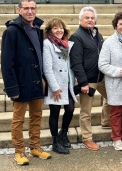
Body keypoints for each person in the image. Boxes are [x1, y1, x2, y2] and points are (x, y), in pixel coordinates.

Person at [1, 0, 51, 165]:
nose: (30, 11)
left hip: (37, 82)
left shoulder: (38, 30)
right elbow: (6, 64)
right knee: (18, 120)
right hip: (21, 83)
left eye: (33, 8)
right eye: (26, 8)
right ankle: (19, 151)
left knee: (36, 116)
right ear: (19, 10)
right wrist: (12, 88)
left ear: (36, 9)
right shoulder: (12, 31)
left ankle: (35, 147)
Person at [69, 6, 110, 151]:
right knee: (86, 111)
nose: (90, 20)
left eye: (92, 18)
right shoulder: (76, 36)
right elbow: (76, 62)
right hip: (88, 80)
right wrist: (83, 82)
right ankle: (87, 137)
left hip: (102, 77)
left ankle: (106, 121)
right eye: (87, 18)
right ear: (80, 19)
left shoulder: (97, 35)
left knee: (112, 99)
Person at [98, 11, 122, 151]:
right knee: (117, 112)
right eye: (121, 24)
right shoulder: (109, 43)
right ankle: (116, 137)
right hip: (115, 83)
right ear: (115, 25)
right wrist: (118, 71)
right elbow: (102, 64)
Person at [43, 18, 78, 154]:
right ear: (50, 31)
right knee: (55, 112)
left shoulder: (65, 44)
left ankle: (63, 133)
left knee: (70, 109)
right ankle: (55, 141)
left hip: (68, 83)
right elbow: (47, 68)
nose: (59, 30)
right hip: (56, 84)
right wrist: (55, 87)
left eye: (61, 28)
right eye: (55, 28)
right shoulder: (47, 44)